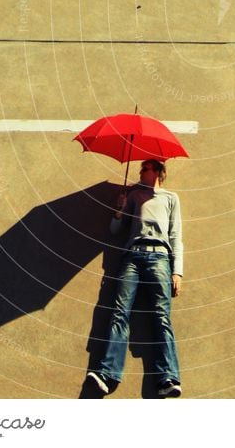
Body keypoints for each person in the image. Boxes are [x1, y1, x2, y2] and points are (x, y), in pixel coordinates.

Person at [87, 159, 183, 397]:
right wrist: (119, 212)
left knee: (161, 316)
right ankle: (107, 373)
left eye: (145, 168)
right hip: (132, 256)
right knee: (119, 313)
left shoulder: (171, 198)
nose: (140, 171)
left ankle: (168, 377)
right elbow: (115, 230)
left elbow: (176, 236)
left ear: (159, 172)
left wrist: (177, 270)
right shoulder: (133, 195)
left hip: (160, 258)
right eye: (140, 168)